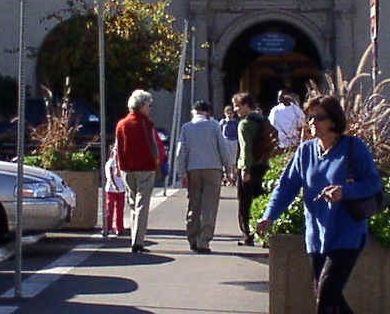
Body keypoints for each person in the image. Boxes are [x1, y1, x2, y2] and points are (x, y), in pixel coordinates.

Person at [258, 95, 383, 314]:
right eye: (310, 117)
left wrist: (345, 192)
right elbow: (286, 186)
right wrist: (269, 215)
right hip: (316, 235)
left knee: (326, 296)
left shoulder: (353, 148)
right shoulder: (305, 152)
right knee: (326, 294)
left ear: (333, 122)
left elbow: (373, 182)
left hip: (347, 233)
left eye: (318, 118)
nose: (312, 123)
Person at [175, 100, 235, 253]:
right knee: (209, 205)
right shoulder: (214, 126)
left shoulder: (186, 127)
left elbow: (181, 151)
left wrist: (182, 173)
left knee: (194, 204)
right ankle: (204, 240)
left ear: (194, 111)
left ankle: (192, 237)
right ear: (207, 112)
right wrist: (229, 170)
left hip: (193, 169)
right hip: (213, 169)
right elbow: (223, 149)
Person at [113, 90, 164, 252]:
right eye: (149, 105)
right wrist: (157, 162)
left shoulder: (121, 124)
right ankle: (138, 240)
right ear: (142, 106)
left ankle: (134, 238)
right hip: (145, 167)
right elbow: (153, 145)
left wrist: (119, 166)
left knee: (133, 203)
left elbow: (118, 147)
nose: (150, 109)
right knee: (142, 204)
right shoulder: (146, 123)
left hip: (127, 168)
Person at [233, 92, 273, 246]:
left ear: (245, 105)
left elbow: (246, 149)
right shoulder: (263, 121)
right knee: (261, 200)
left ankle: (247, 235)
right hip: (263, 166)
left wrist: (245, 169)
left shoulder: (244, 124)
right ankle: (264, 235)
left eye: (237, 106)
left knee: (245, 203)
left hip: (250, 168)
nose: (236, 109)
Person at [101, 152, 129, 237]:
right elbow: (110, 176)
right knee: (110, 209)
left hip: (121, 190)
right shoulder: (110, 163)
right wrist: (114, 185)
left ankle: (119, 228)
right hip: (111, 190)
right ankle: (108, 227)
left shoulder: (121, 162)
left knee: (120, 210)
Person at [269, 90, 304, 155]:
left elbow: (301, 125)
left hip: (294, 142)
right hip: (281, 143)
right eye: (278, 96)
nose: (279, 98)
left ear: (287, 96)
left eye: (281, 96)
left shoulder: (296, 110)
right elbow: (272, 126)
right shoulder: (274, 110)